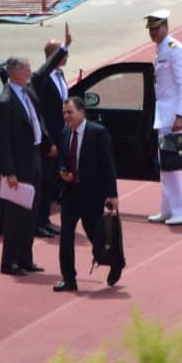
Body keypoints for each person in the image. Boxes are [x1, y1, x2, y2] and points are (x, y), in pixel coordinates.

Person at [54, 96, 122, 292]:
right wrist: (62, 171)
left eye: (70, 112)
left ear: (82, 112)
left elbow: (108, 164)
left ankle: (115, 262)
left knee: (96, 235)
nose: (66, 116)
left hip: (92, 194)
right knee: (66, 235)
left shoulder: (98, 133)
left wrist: (112, 194)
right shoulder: (65, 132)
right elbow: (61, 159)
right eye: (64, 113)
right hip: (70, 193)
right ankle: (69, 278)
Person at [0, 55, 49, 276]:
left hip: (34, 158)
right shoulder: (5, 102)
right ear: (14, 72)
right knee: (15, 216)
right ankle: (9, 261)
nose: (29, 72)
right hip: (18, 166)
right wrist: (10, 172)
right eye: (26, 69)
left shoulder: (27, 92)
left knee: (31, 214)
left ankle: (25, 258)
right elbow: (3, 141)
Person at [145, 10, 182, 225]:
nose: (153, 33)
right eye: (151, 30)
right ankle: (167, 208)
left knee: (171, 165)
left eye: (156, 29)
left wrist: (181, 115)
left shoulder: (175, 49)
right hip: (162, 114)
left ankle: (180, 209)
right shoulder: (160, 50)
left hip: (171, 115)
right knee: (165, 164)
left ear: (165, 27)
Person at [31, 24, 73, 238]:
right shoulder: (41, 79)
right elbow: (42, 114)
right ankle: (37, 222)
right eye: (62, 53)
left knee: (50, 182)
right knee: (43, 181)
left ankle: (45, 219)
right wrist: (50, 142)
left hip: (60, 135)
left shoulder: (60, 75)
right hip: (48, 140)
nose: (66, 57)